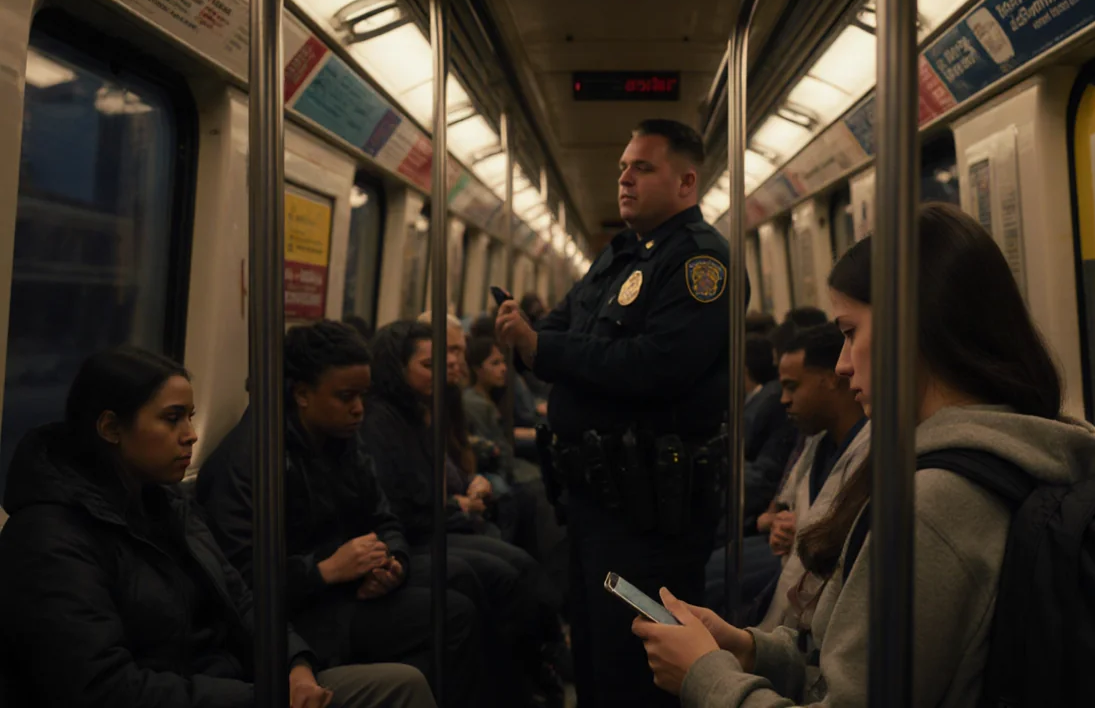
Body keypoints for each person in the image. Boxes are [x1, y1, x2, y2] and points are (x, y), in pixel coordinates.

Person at [631, 203, 1095, 707]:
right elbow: (856, 672)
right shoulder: (994, 459)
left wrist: (705, 677)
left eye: (850, 332)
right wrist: (748, 651)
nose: (840, 365)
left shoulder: (932, 508)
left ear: (913, 329)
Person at [0, 346, 437, 708]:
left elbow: (242, 603)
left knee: (403, 683)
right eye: (172, 419)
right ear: (111, 427)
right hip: (205, 695)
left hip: (234, 683)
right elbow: (101, 688)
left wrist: (295, 667)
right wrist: (259, 696)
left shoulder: (168, 504)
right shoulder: (50, 538)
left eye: (190, 417)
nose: (190, 435)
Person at [494, 118, 738, 708]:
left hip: (650, 515)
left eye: (642, 167)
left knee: (639, 665)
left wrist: (544, 349)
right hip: (594, 500)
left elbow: (658, 364)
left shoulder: (700, 263)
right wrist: (538, 343)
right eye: (623, 167)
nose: (624, 178)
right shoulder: (618, 258)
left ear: (685, 182)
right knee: (598, 654)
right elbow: (554, 326)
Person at [195, 321, 487, 706]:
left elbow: (384, 518)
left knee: (461, 580)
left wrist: (392, 563)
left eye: (363, 395)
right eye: (346, 396)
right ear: (301, 394)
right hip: (301, 614)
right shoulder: (250, 463)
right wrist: (324, 571)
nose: (359, 409)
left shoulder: (342, 444)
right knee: (452, 614)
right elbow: (241, 581)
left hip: (341, 591)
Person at [362, 320, 567, 708]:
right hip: (415, 533)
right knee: (501, 572)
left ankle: (535, 668)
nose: (441, 372)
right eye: (427, 365)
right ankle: (517, 683)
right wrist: (456, 507)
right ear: (396, 369)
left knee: (515, 562)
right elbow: (403, 505)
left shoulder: (417, 414)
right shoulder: (380, 422)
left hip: (431, 522)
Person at [753, 324, 868, 632]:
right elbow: (785, 508)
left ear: (831, 378)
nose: (784, 400)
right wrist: (781, 526)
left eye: (793, 386)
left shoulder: (871, 450)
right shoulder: (817, 445)